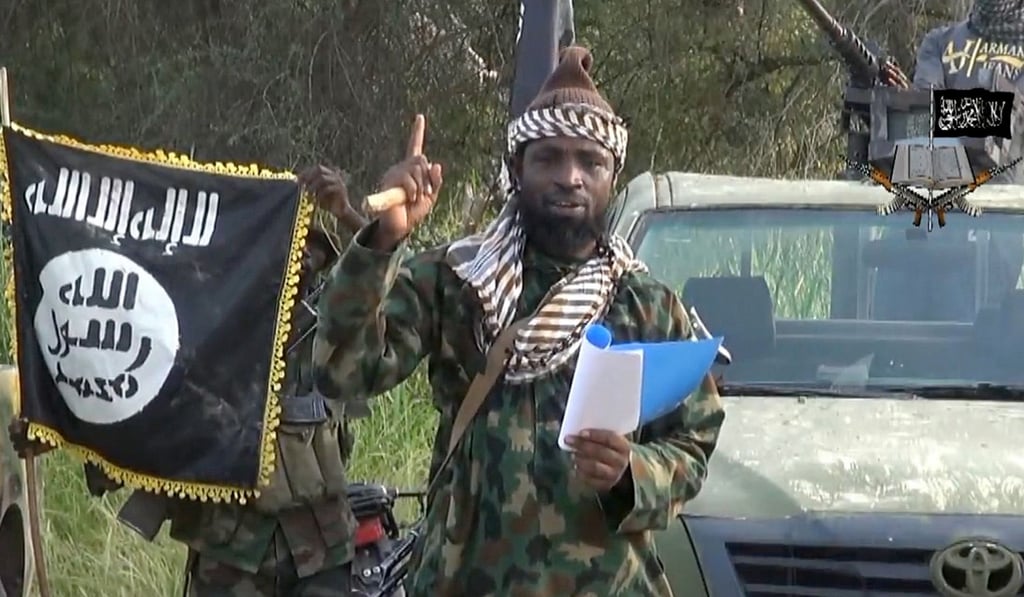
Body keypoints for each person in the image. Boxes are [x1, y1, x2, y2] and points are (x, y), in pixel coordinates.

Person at [309, 46, 726, 596]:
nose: (569, 178)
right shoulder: (459, 281)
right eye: (548, 158)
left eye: (589, 162)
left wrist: (634, 471)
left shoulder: (645, 305)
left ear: (612, 176)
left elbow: (694, 440)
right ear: (516, 168)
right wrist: (384, 239)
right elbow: (343, 370)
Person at [9, 166, 371, 597]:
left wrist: (348, 215)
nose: (303, 267)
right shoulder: (204, 339)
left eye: (309, 259)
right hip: (227, 555)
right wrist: (57, 428)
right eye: (290, 257)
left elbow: (384, 288)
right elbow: (142, 416)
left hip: (319, 550)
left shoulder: (330, 331)